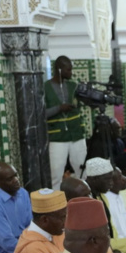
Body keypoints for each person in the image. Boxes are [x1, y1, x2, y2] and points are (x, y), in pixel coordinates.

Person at [45, 55, 87, 190]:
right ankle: (56, 205)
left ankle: (84, 199)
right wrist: (59, 108)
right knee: (55, 174)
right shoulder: (45, 88)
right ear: (59, 70)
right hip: (57, 138)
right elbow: (41, 114)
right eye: (68, 70)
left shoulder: (74, 86)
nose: (71, 73)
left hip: (76, 135)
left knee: (82, 170)